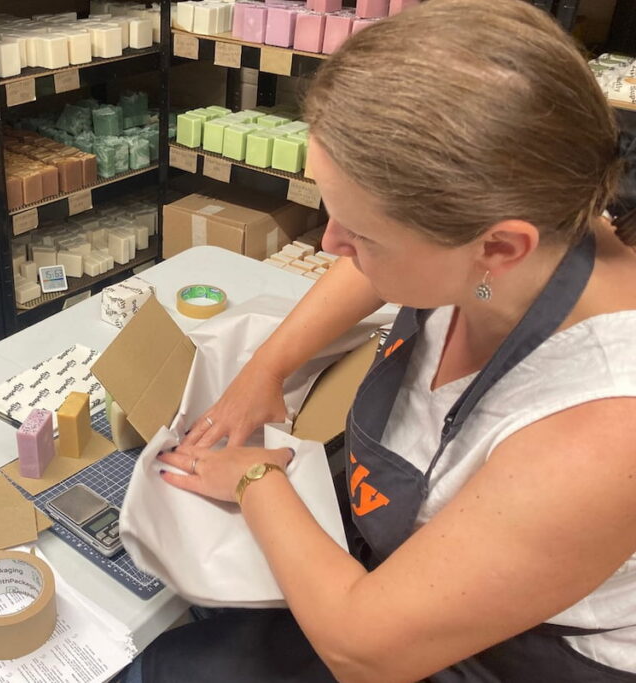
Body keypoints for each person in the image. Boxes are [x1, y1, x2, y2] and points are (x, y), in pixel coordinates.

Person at [123, 0, 636, 680]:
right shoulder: (525, 232)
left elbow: (363, 647)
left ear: (500, 247)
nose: (331, 244)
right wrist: (268, 367)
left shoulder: (600, 433)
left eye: (359, 235)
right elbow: (374, 270)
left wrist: (253, 479)